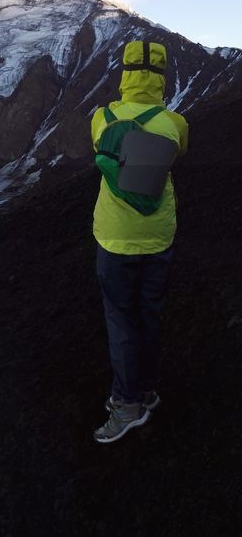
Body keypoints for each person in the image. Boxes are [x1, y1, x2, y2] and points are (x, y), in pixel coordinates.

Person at [90, 40, 189, 444]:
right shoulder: (174, 123)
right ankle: (146, 390)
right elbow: (176, 156)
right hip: (158, 234)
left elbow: (100, 151)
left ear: (125, 72)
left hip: (114, 237)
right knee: (149, 314)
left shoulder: (101, 117)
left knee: (121, 320)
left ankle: (126, 404)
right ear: (162, 76)